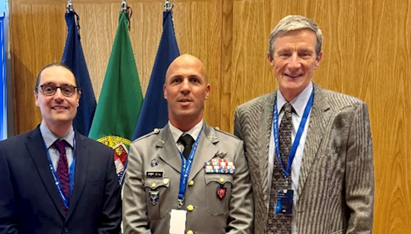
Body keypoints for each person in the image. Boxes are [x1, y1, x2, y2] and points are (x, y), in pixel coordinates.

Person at [234, 15, 374, 234]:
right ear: (270, 59)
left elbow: (361, 204)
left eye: (304, 54)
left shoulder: (348, 113)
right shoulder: (247, 115)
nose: (294, 64)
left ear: (318, 59)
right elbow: (243, 198)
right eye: (285, 54)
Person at [123, 54, 254, 234]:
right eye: (177, 81)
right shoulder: (142, 151)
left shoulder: (232, 149)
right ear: (165, 91)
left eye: (194, 80)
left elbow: (242, 223)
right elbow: (133, 226)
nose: (185, 88)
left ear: (207, 91)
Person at [0, 62, 121, 234]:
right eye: (49, 89)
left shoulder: (102, 156)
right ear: (36, 96)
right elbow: (3, 224)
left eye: (67, 90)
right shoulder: (8, 154)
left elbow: (111, 223)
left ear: (78, 98)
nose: (59, 97)